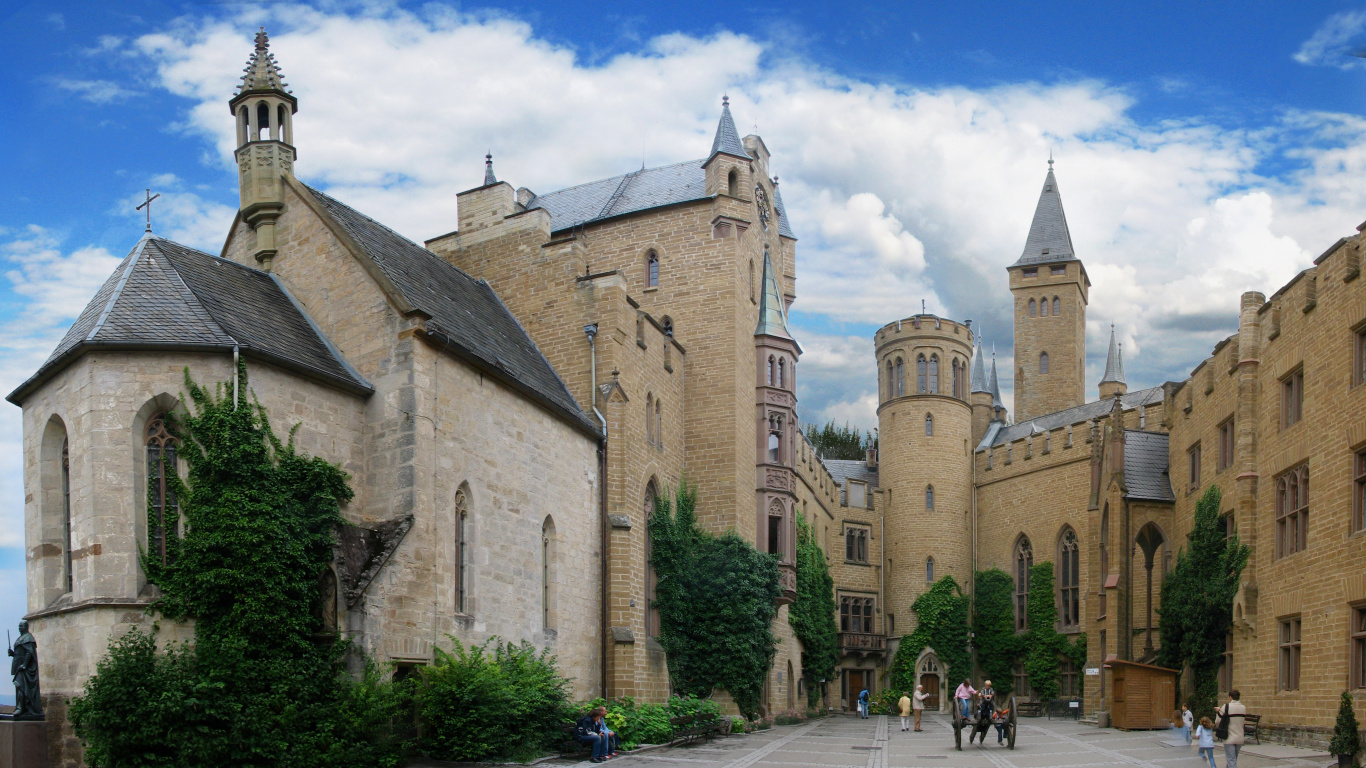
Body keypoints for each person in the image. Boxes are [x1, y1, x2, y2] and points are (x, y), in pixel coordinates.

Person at [8, 619, 43, 721]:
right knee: (19, 687)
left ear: (26, 627)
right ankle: (21, 707)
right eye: (19, 626)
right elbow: (20, 652)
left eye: (21, 626)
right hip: (19, 666)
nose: (20, 628)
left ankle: (21, 708)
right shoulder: (21, 638)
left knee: (20, 686)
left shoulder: (28, 638)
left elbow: (29, 652)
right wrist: (13, 654)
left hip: (25, 669)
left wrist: (24, 664)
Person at [1216, 689, 1247, 768]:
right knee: (1233, 760)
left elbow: (1217, 721)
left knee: (1231, 761)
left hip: (1229, 737)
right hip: (1240, 737)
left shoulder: (1226, 706)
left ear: (1230, 697)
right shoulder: (1243, 707)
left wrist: (1219, 711)